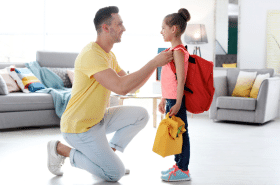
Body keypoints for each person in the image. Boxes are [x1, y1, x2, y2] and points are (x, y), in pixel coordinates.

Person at [46, 6, 173, 182]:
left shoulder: (109, 55)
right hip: (78, 128)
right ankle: (60, 149)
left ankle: (107, 158)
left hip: (98, 119)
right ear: (106, 28)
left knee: (141, 115)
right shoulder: (91, 54)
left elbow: (130, 86)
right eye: (119, 24)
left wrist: (156, 66)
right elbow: (120, 87)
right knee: (114, 174)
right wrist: (153, 63)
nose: (124, 28)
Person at [158, 8, 191, 182]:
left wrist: (177, 102)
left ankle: (183, 170)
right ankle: (178, 165)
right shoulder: (172, 50)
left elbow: (181, 79)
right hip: (170, 99)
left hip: (176, 100)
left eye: (163, 27)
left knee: (181, 133)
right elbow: (169, 79)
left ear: (174, 29)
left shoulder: (178, 51)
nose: (161, 31)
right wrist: (164, 98)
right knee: (175, 133)